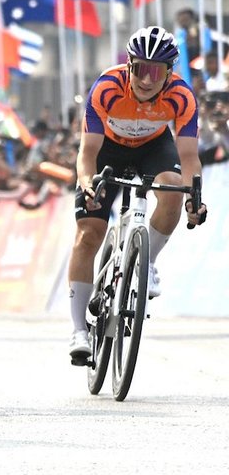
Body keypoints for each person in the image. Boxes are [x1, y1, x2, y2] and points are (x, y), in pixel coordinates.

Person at [68, 26, 207, 363]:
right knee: (89, 234)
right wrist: (87, 182)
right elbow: (87, 154)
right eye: (140, 69)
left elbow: (188, 157)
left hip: (151, 147)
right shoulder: (107, 87)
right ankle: (78, 331)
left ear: (169, 73)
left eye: (156, 71)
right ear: (129, 66)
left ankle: (148, 263)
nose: (146, 79)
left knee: (173, 190)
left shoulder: (181, 96)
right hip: (107, 149)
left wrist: (195, 198)